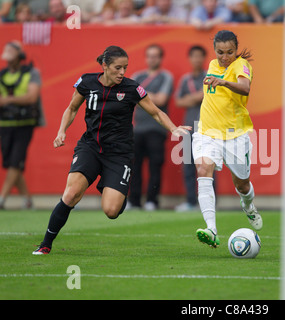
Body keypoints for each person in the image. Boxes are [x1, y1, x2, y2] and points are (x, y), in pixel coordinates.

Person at [32, 45, 189, 255]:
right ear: (105, 66)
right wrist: (62, 131)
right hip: (90, 147)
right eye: (118, 67)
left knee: (111, 211)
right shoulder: (86, 82)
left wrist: (173, 128)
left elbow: (156, 113)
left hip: (119, 154)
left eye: (125, 67)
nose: (122, 72)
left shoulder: (132, 88)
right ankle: (45, 244)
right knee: (71, 194)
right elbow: (72, 108)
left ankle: (116, 190)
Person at [194, 30, 262, 248]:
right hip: (207, 131)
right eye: (220, 52)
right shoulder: (214, 64)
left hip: (235, 134)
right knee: (203, 170)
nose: (224, 57)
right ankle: (211, 230)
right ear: (215, 50)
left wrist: (222, 83)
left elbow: (245, 88)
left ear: (236, 50)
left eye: (229, 52)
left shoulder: (242, 65)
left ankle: (248, 205)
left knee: (242, 184)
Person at [128, 44, 174, 211]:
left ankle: (152, 201)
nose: (152, 59)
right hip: (137, 129)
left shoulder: (166, 76)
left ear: (160, 58)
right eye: (149, 56)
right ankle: (133, 201)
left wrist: (141, 96)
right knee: (134, 166)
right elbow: (129, 97)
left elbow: (161, 100)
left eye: (155, 56)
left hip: (157, 129)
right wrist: (148, 97)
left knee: (155, 166)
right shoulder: (137, 75)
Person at [0, 41, 43, 210]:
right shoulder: (2, 74)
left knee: (15, 160)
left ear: (19, 54)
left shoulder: (31, 72)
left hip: (25, 123)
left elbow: (31, 97)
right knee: (11, 162)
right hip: (4, 123)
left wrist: (7, 100)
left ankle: (2, 198)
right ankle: (27, 199)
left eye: (11, 49)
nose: (7, 52)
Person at [174, 45, 207, 212]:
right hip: (188, 128)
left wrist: (192, 97)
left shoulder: (209, 76)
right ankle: (191, 202)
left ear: (204, 58)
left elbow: (207, 94)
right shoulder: (185, 79)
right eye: (193, 56)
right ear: (190, 58)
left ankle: (208, 202)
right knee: (188, 165)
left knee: (206, 166)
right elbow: (179, 101)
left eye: (200, 56)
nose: (197, 60)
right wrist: (196, 97)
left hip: (206, 128)